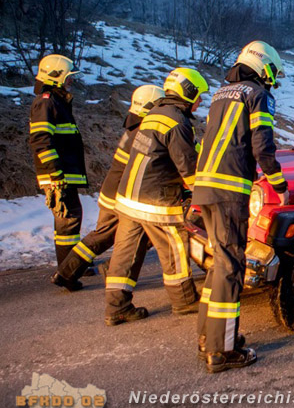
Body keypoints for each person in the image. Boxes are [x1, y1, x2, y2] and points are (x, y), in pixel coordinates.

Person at [194, 41, 289, 374]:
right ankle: (222, 351)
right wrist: (279, 184)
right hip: (229, 190)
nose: (273, 80)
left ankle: (210, 337)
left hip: (205, 188)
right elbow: (262, 146)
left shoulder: (222, 93)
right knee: (231, 267)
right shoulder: (257, 95)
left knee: (219, 264)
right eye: (273, 73)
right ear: (264, 67)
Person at [104, 68, 207, 326]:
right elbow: (188, 166)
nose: (201, 101)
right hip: (156, 202)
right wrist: (202, 196)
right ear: (189, 92)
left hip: (128, 198)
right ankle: (184, 301)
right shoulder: (177, 122)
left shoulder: (153, 115)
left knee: (125, 254)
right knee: (174, 247)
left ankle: (116, 307)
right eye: (199, 95)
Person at [51, 85, 163, 291]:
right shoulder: (144, 131)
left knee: (102, 237)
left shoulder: (134, 127)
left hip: (113, 191)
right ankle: (73, 273)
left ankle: (67, 272)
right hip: (120, 195)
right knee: (114, 236)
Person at [29, 54, 88, 282]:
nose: (70, 82)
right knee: (67, 220)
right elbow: (41, 140)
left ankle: (74, 264)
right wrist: (55, 174)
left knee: (71, 218)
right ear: (56, 77)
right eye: (67, 77)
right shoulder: (46, 102)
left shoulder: (56, 101)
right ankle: (69, 268)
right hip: (57, 176)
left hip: (63, 175)